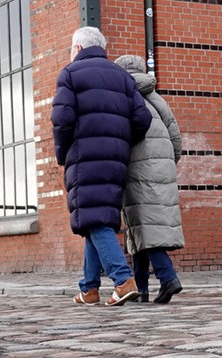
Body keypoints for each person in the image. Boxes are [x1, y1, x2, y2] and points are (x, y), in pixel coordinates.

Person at [52, 27, 152, 306]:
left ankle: (122, 280)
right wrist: (120, 141)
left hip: (84, 157)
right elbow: (142, 119)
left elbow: (62, 120)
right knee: (95, 218)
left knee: (94, 219)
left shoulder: (70, 74)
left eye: (71, 48)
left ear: (79, 48)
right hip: (116, 157)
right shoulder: (122, 76)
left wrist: (63, 155)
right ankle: (89, 288)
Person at [114, 55, 185, 304]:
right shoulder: (158, 99)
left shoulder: (122, 99)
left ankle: (168, 278)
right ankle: (141, 288)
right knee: (141, 227)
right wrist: (165, 164)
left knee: (143, 226)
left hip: (137, 170)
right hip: (161, 169)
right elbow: (176, 137)